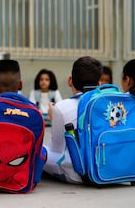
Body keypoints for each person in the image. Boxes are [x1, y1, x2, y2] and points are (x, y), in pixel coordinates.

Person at [43, 56, 102, 184]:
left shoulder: (62, 107)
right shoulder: (106, 105)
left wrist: (54, 117)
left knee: (40, 151)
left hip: (76, 173)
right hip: (104, 168)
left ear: (70, 81)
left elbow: (57, 148)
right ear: (99, 84)